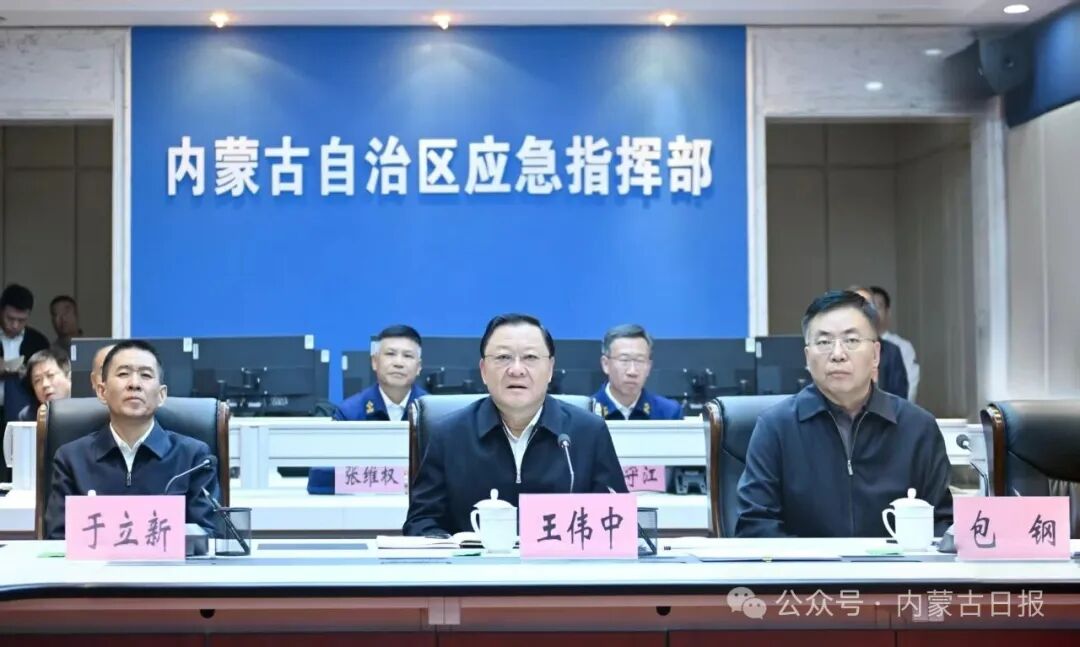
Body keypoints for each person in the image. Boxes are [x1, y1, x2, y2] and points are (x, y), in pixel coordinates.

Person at [735, 290, 952, 538]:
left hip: (897, 564)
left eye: (851, 340)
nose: (837, 354)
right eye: (824, 342)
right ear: (807, 357)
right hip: (806, 564)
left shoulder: (918, 428)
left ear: (876, 355)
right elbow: (755, 526)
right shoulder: (775, 428)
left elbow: (943, 525)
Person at [404, 313, 627, 536]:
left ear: (550, 369)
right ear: (483, 370)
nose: (516, 370)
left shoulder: (588, 432)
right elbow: (421, 523)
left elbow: (617, 524)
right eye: (503, 357)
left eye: (530, 357)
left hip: (559, 559)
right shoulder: (449, 435)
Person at [44, 340, 221, 539]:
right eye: (123, 374)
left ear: (161, 395)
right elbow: (57, 539)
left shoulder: (194, 459)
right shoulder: (71, 458)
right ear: (102, 391)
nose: (134, 384)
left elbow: (209, 536)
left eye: (146, 375)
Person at [334, 325, 427, 421]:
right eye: (390, 354)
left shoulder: (432, 412)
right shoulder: (348, 413)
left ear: (418, 367)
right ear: (375, 362)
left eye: (407, 355)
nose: (398, 363)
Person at [592, 324, 682, 420]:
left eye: (639, 360)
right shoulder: (586, 412)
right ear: (606, 364)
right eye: (624, 360)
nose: (632, 371)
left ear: (649, 367)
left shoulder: (668, 413)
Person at [0, 284, 51, 427]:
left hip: (25, 413)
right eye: (10, 318)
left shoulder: (38, 341)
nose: (15, 325)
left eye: (21, 320)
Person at [852, 286, 908, 400]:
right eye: (857, 306)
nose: (863, 312)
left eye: (868, 306)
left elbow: (899, 398)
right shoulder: (836, 351)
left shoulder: (891, 352)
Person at [869, 286, 920, 402]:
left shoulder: (901, 347)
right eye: (869, 306)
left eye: (878, 306)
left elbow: (909, 389)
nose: (873, 311)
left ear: (888, 311)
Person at [17, 347, 72, 421]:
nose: (45, 384)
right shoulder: (28, 416)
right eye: (37, 380)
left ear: (69, 376)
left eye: (50, 375)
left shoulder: (86, 409)